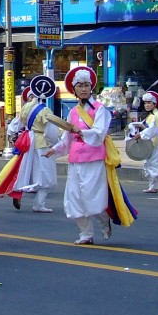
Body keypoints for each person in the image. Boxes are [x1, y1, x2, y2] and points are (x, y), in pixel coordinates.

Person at [49, 66, 137, 244]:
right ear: (74, 89)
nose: (83, 88)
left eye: (86, 85)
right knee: (74, 198)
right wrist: (55, 149)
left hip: (94, 159)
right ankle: (86, 234)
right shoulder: (73, 112)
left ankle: (104, 220)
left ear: (91, 87)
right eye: (79, 85)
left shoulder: (100, 110)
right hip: (75, 160)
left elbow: (99, 133)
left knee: (92, 198)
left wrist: (81, 132)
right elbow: (67, 139)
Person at [0, 77, 61, 213]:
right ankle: (38, 204)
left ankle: (17, 192)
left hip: (29, 140)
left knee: (26, 169)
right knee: (45, 173)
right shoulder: (45, 110)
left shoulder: (27, 107)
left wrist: (12, 135)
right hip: (42, 142)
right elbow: (51, 132)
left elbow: (15, 125)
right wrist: (56, 144)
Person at [130, 90, 158, 194]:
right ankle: (153, 187)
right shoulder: (150, 115)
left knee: (156, 167)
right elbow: (146, 126)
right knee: (149, 165)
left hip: (156, 145)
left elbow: (153, 129)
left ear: (154, 104)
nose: (146, 105)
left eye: (149, 102)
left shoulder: (157, 115)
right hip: (149, 144)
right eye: (145, 103)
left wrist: (141, 134)